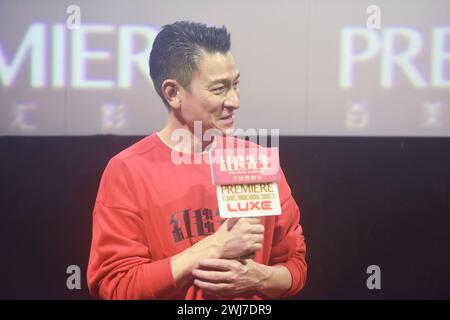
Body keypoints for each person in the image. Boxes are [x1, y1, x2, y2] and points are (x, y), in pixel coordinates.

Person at [87, 21, 307, 300]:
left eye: (236, 85)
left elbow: (295, 268)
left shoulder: (256, 161)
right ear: (173, 93)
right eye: (219, 89)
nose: (235, 101)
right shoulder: (128, 171)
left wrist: (259, 278)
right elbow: (116, 287)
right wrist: (211, 249)